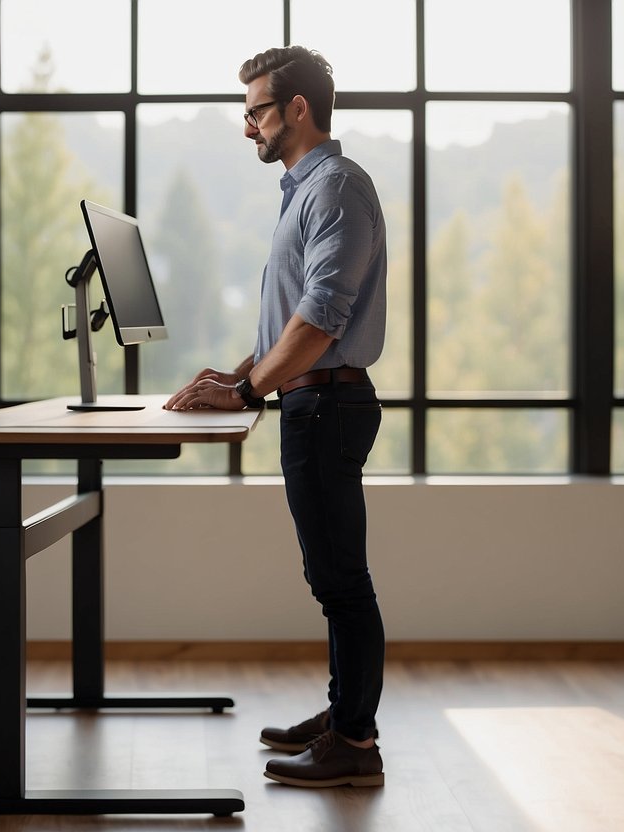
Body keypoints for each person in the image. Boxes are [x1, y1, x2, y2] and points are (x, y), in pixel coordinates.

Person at [164, 45, 387, 789]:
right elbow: (291, 320)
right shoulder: (304, 192)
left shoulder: (334, 189)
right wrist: (243, 369)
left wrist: (248, 392)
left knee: (340, 580)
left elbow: (320, 321)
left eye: (256, 109)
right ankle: (343, 713)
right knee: (330, 577)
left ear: (297, 110)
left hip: (324, 402)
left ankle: (354, 744)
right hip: (310, 397)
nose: (247, 126)